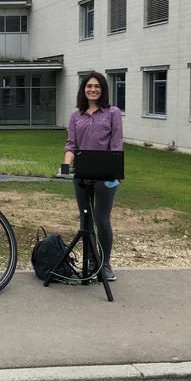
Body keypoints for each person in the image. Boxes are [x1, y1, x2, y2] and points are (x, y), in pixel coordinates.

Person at [60, 71, 123, 281]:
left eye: (97, 86)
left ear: (103, 89)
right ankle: (90, 261)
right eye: (89, 86)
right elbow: (71, 145)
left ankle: (104, 264)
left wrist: (114, 172)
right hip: (82, 175)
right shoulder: (76, 116)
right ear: (83, 89)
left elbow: (116, 143)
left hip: (106, 176)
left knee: (102, 220)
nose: (93, 89)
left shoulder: (112, 113)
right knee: (85, 221)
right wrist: (65, 166)